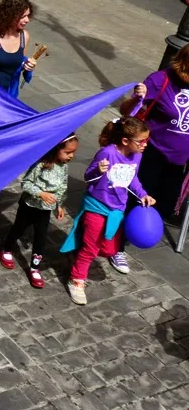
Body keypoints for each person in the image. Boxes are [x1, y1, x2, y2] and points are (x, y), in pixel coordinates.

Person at [61, 117, 156, 305]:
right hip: (97, 206)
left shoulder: (137, 155)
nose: (145, 145)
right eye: (142, 141)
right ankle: (76, 280)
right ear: (125, 141)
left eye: (147, 140)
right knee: (91, 248)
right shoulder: (107, 153)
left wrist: (143, 194)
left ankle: (78, 247)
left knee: (108, 248)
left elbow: (132, 178)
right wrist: (98, 170)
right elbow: (88, 177)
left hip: (117, 209)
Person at [119, 44, 189, 229]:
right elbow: (126, 111)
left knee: (165, 205)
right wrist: (136, 97)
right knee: (135, 202)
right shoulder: (161, 80)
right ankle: (117, 244)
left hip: (178, 161)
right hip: (151, 154)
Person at [0, 135, 78, 288]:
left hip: (45, 210)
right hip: (29, 205)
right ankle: (6, 248)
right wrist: (41, 193)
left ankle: (35, 267)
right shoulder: (40, 165)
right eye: (68, 152)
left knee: (41, 237)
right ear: (57, 150)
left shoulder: (64, 168)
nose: (71, 156)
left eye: (73, 152)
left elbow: (62, 188)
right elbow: (26, 183)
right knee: (18, 229)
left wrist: (59, 205)